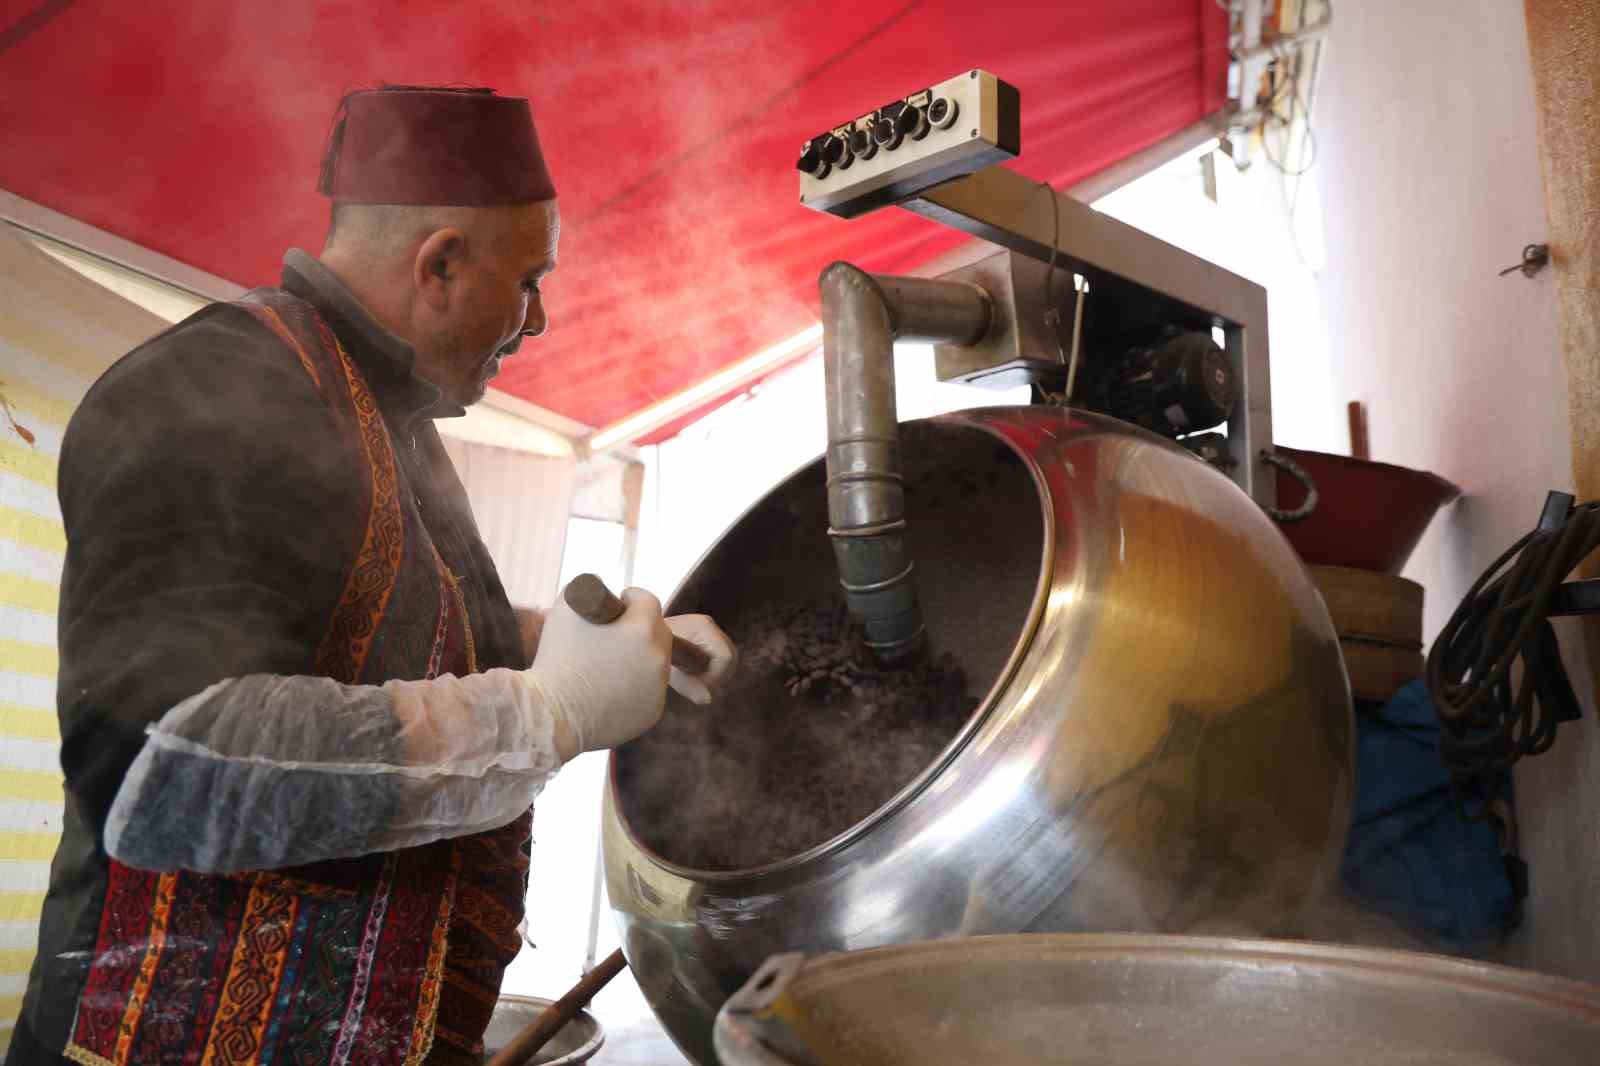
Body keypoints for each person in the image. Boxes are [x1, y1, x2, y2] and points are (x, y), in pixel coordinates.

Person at [8, 85, 737, 1064]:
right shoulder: (222, 390)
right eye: (528, 280)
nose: (540, 320)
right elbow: (168, 768)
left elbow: (413, 637)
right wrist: (550, 708)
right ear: (439, 263)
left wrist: (594, 649)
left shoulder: (397, 431)